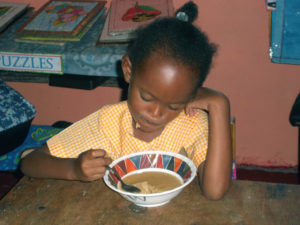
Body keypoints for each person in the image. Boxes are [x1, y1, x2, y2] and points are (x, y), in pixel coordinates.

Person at [20, 2, 232, 200]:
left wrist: (220, 105)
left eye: (173, 105)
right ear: (128, 70)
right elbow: (29, 162)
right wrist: (73, 169)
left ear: (190, 97)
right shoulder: (109, 122)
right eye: (147, 97)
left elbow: (215, 191)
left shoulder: (192, 123)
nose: (155, 113)